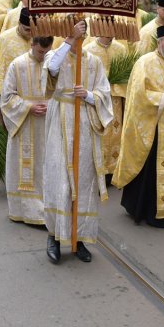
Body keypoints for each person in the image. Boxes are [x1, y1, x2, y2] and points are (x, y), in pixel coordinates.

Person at [43, 21, 113, 263]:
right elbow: (51, 69)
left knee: (83, 181)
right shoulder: (56, 54)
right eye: (76, 32)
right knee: (60, 179)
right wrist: (68, 41)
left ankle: (79, 239)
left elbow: (105, 92)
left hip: (84, 122)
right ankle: (53, 236)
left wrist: (90, 96)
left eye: (82, 32)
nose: (80, 36)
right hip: (61, 119)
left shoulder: (93, 61)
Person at [113, 24, 164, 228]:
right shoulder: (145, 63)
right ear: (159, 43)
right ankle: (153, 211)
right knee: (152, 169)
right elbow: (137, 96)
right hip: (154, 127)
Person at [1, 36, 54, 227]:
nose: (43, 56)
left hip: (48, 124)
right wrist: (28, 107)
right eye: (40, 51)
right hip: (24, 124)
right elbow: (6, 98)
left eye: (47, 51)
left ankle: (47, 210)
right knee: (26, 168)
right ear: (32, 45)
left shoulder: (54, 64)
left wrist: (52, 105)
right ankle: (22, 211)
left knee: (46, 166)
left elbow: (63, 92)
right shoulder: (17, 65)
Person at [84, 34, 130, 175]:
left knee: (116, 134)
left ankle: (113, 170)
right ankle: (97, 170)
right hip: (96, 101)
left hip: (116, 100)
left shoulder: (121, 49)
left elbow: (128, 75)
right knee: (99, 134)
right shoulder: (88, 50)